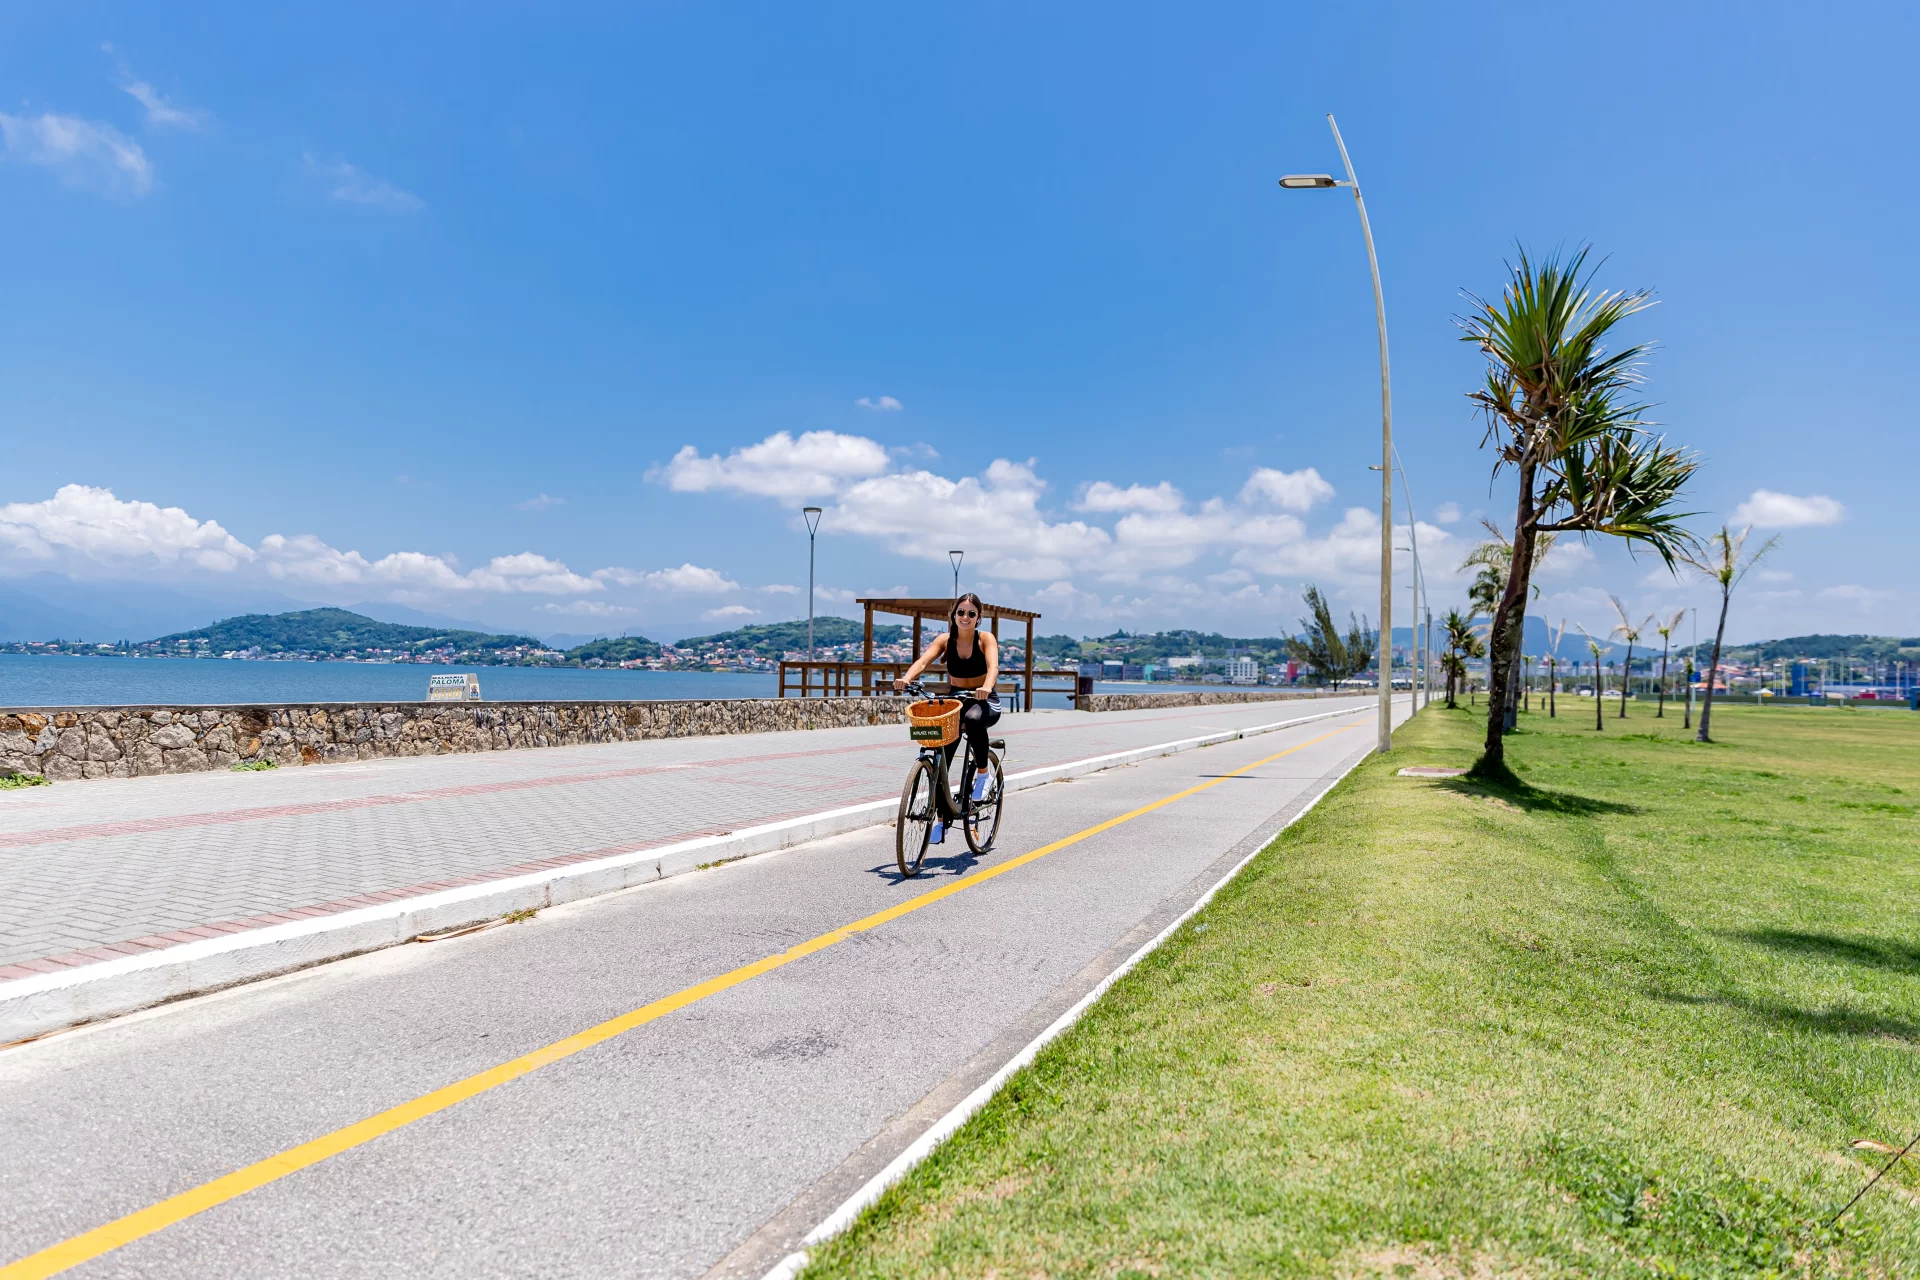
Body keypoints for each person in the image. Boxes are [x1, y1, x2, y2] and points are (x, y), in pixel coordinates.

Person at [894, 594, 1001, 831]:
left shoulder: (985, 639)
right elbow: (923, 662)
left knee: (973, 719)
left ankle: (983, 774)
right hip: (956, 700)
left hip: (984, 700)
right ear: (954, 615)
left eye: (971, 613)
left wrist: (986, 686)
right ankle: (942, 820)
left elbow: (993, 666)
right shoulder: (945, 640)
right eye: (961, 612)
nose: (965, 617)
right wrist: (906, 678)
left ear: (978, 617)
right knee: (942, 755)